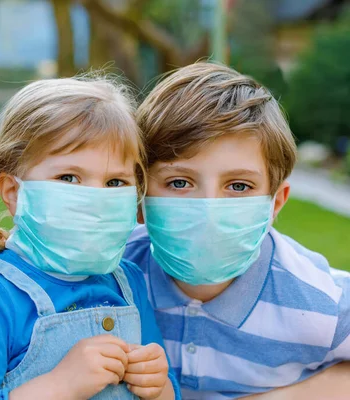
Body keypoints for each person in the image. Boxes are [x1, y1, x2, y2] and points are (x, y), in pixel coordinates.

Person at [0, 77, 180, 400]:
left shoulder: (129, 282)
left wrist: (161, 387)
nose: (95, 199)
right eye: (69, 178)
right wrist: (60, 385)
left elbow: (168, 389)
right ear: (14, 192)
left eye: (115, 182)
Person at [124, 62, 350, 399]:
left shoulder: (320, 300)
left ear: (275, 203)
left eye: (239, 186)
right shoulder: (112, 271)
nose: (208, 208)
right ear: (140, 195)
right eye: (180, 182)